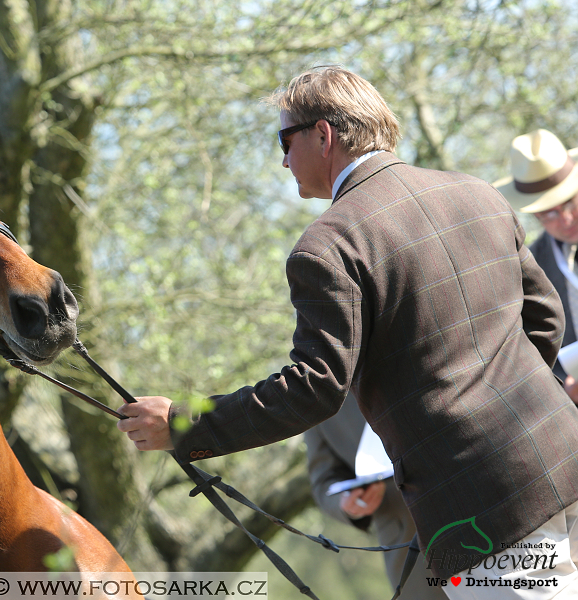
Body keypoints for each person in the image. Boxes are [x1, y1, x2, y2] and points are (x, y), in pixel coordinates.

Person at [117, 66, 578, 598]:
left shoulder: (328, 245)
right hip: (565, 451)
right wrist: (513, 400)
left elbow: (313, 388)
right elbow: (545, 315)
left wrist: (182, 423)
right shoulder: (475, 193)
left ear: (323, 134)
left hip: (484, 507)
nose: (283, 159)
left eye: (284, 140)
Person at [305, 398, 447, 600]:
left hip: (471, 504)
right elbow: (323, 482)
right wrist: (345, 504)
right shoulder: (313, 397)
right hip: (405, 543)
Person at [494, 129, 578, 401]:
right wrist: (563, 389)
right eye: (550, 213)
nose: (566, 219)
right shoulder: (531, 268)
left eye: (571, 202)